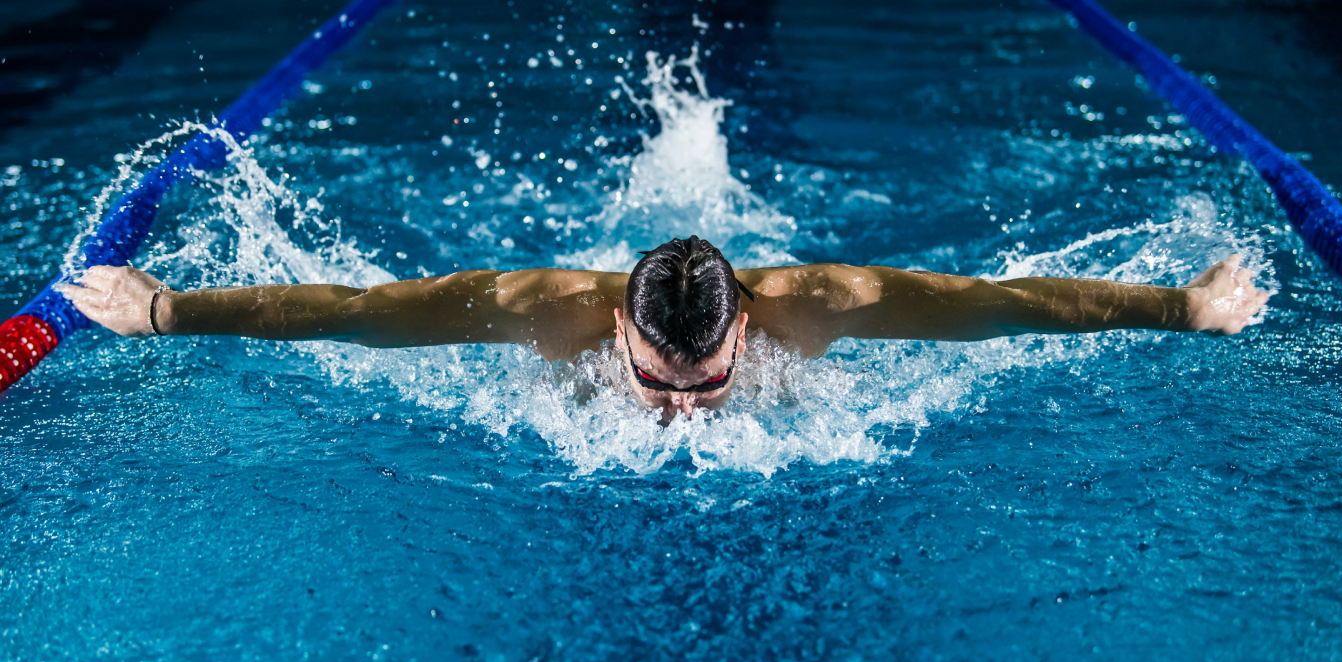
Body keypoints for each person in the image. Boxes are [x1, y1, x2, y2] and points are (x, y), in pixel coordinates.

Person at [57, 235, 1267, 422]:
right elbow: (359, 316)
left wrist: (1183, 308)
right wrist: (165, 310)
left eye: (705, 383)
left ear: (747, 327)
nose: (680, 410)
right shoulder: (538, 311)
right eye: (655, 380)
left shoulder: (826, 303)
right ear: (615, 330)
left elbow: (1002, 304)